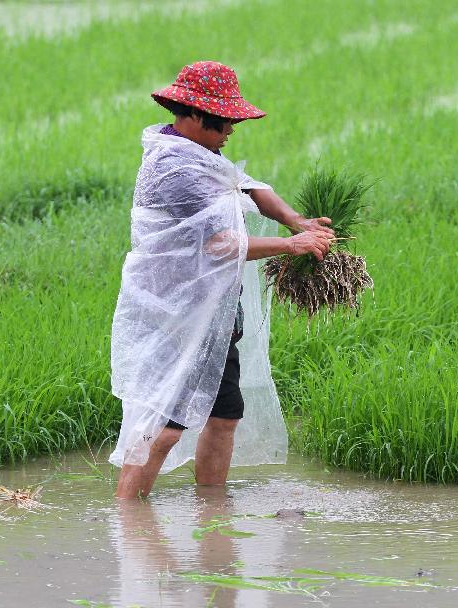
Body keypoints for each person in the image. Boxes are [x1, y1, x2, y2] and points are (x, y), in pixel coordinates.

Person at [110, 61, 334, 499]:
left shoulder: (201, 154)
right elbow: (219, 245)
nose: (231, 129)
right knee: (165, 426)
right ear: (192, 115)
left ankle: (212, 511)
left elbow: (247, 186)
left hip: (214, 313)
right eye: (224, 121)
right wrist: (294, 247)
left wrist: (295, 221)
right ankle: (128, 518)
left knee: (225, 414)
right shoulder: (176, 170)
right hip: (176, 314)